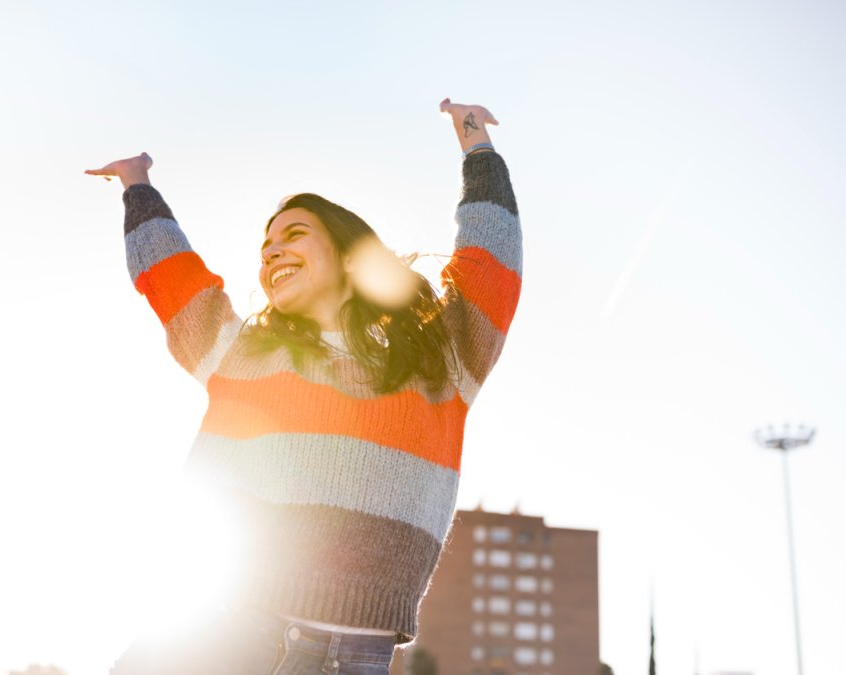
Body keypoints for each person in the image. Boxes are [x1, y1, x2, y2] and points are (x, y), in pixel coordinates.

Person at [85, 98, 522, 675]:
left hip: (357, 656)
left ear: (347, 256)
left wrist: (476, 145)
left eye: (294, 235)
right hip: (230, 638)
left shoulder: (442, 368)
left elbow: (490, 270)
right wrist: (137, 186)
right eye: (266, 246)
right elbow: (173, 277)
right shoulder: (240, 356)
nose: (272, 251)